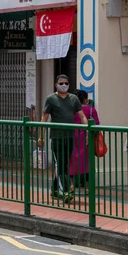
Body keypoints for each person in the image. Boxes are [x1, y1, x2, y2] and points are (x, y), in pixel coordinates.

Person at [40, 74, 88, 204]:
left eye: (66, 83)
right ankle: (65, 191)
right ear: (56, 85)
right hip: (57, 137)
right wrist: (41, 136)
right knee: (60, 164)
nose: (64, 85)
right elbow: (44, 118)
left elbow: (82, 116)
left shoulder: (74, 99)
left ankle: (55, 189)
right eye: (61, 83)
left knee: (64, 164)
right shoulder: (50, 99)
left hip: (70, 136)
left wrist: (88, 128)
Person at [69, 90, 100, 193]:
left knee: (71, 161)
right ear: (86, 99)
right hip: (87, 138)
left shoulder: (71, 109)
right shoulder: (91, 110)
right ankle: (87, 187)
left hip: (72, 136)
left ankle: (71, 184)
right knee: (87, 162)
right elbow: (97, 123)